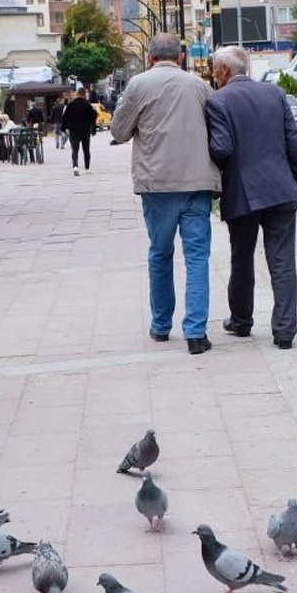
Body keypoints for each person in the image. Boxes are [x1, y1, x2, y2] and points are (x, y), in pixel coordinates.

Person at [111, 33, 219, 355]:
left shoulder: (138, 85)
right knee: (197, 257)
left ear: (149, 58)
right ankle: (196, 333)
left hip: (157, 184)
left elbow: (118, 131)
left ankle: (161, 325)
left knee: (160, 254)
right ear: (181, 58)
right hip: (197, 182)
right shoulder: (200, 86)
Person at [205, 46, 297, 350]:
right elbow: (293, 142)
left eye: (214, 69)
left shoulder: (217, 101)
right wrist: (294, 177)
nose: (213, 74)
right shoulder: (274, 94)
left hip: (243, 193)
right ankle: (285, 331)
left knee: (242, 259)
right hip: (281, 189)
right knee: (283, 261)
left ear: (224, 71)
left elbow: (221, 149)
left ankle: (241, 320)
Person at [60, 88, 97, 176]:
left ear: (77, 94)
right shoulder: (87, 105)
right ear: (84, 94)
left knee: (75, 150)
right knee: (86, 150)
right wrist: (93, 128)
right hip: (85, 130)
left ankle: (75, 167)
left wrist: (63, 128)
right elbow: (93, 116)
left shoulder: (71, 105)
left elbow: (64, 117)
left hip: (73, 131)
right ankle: (87, 168)